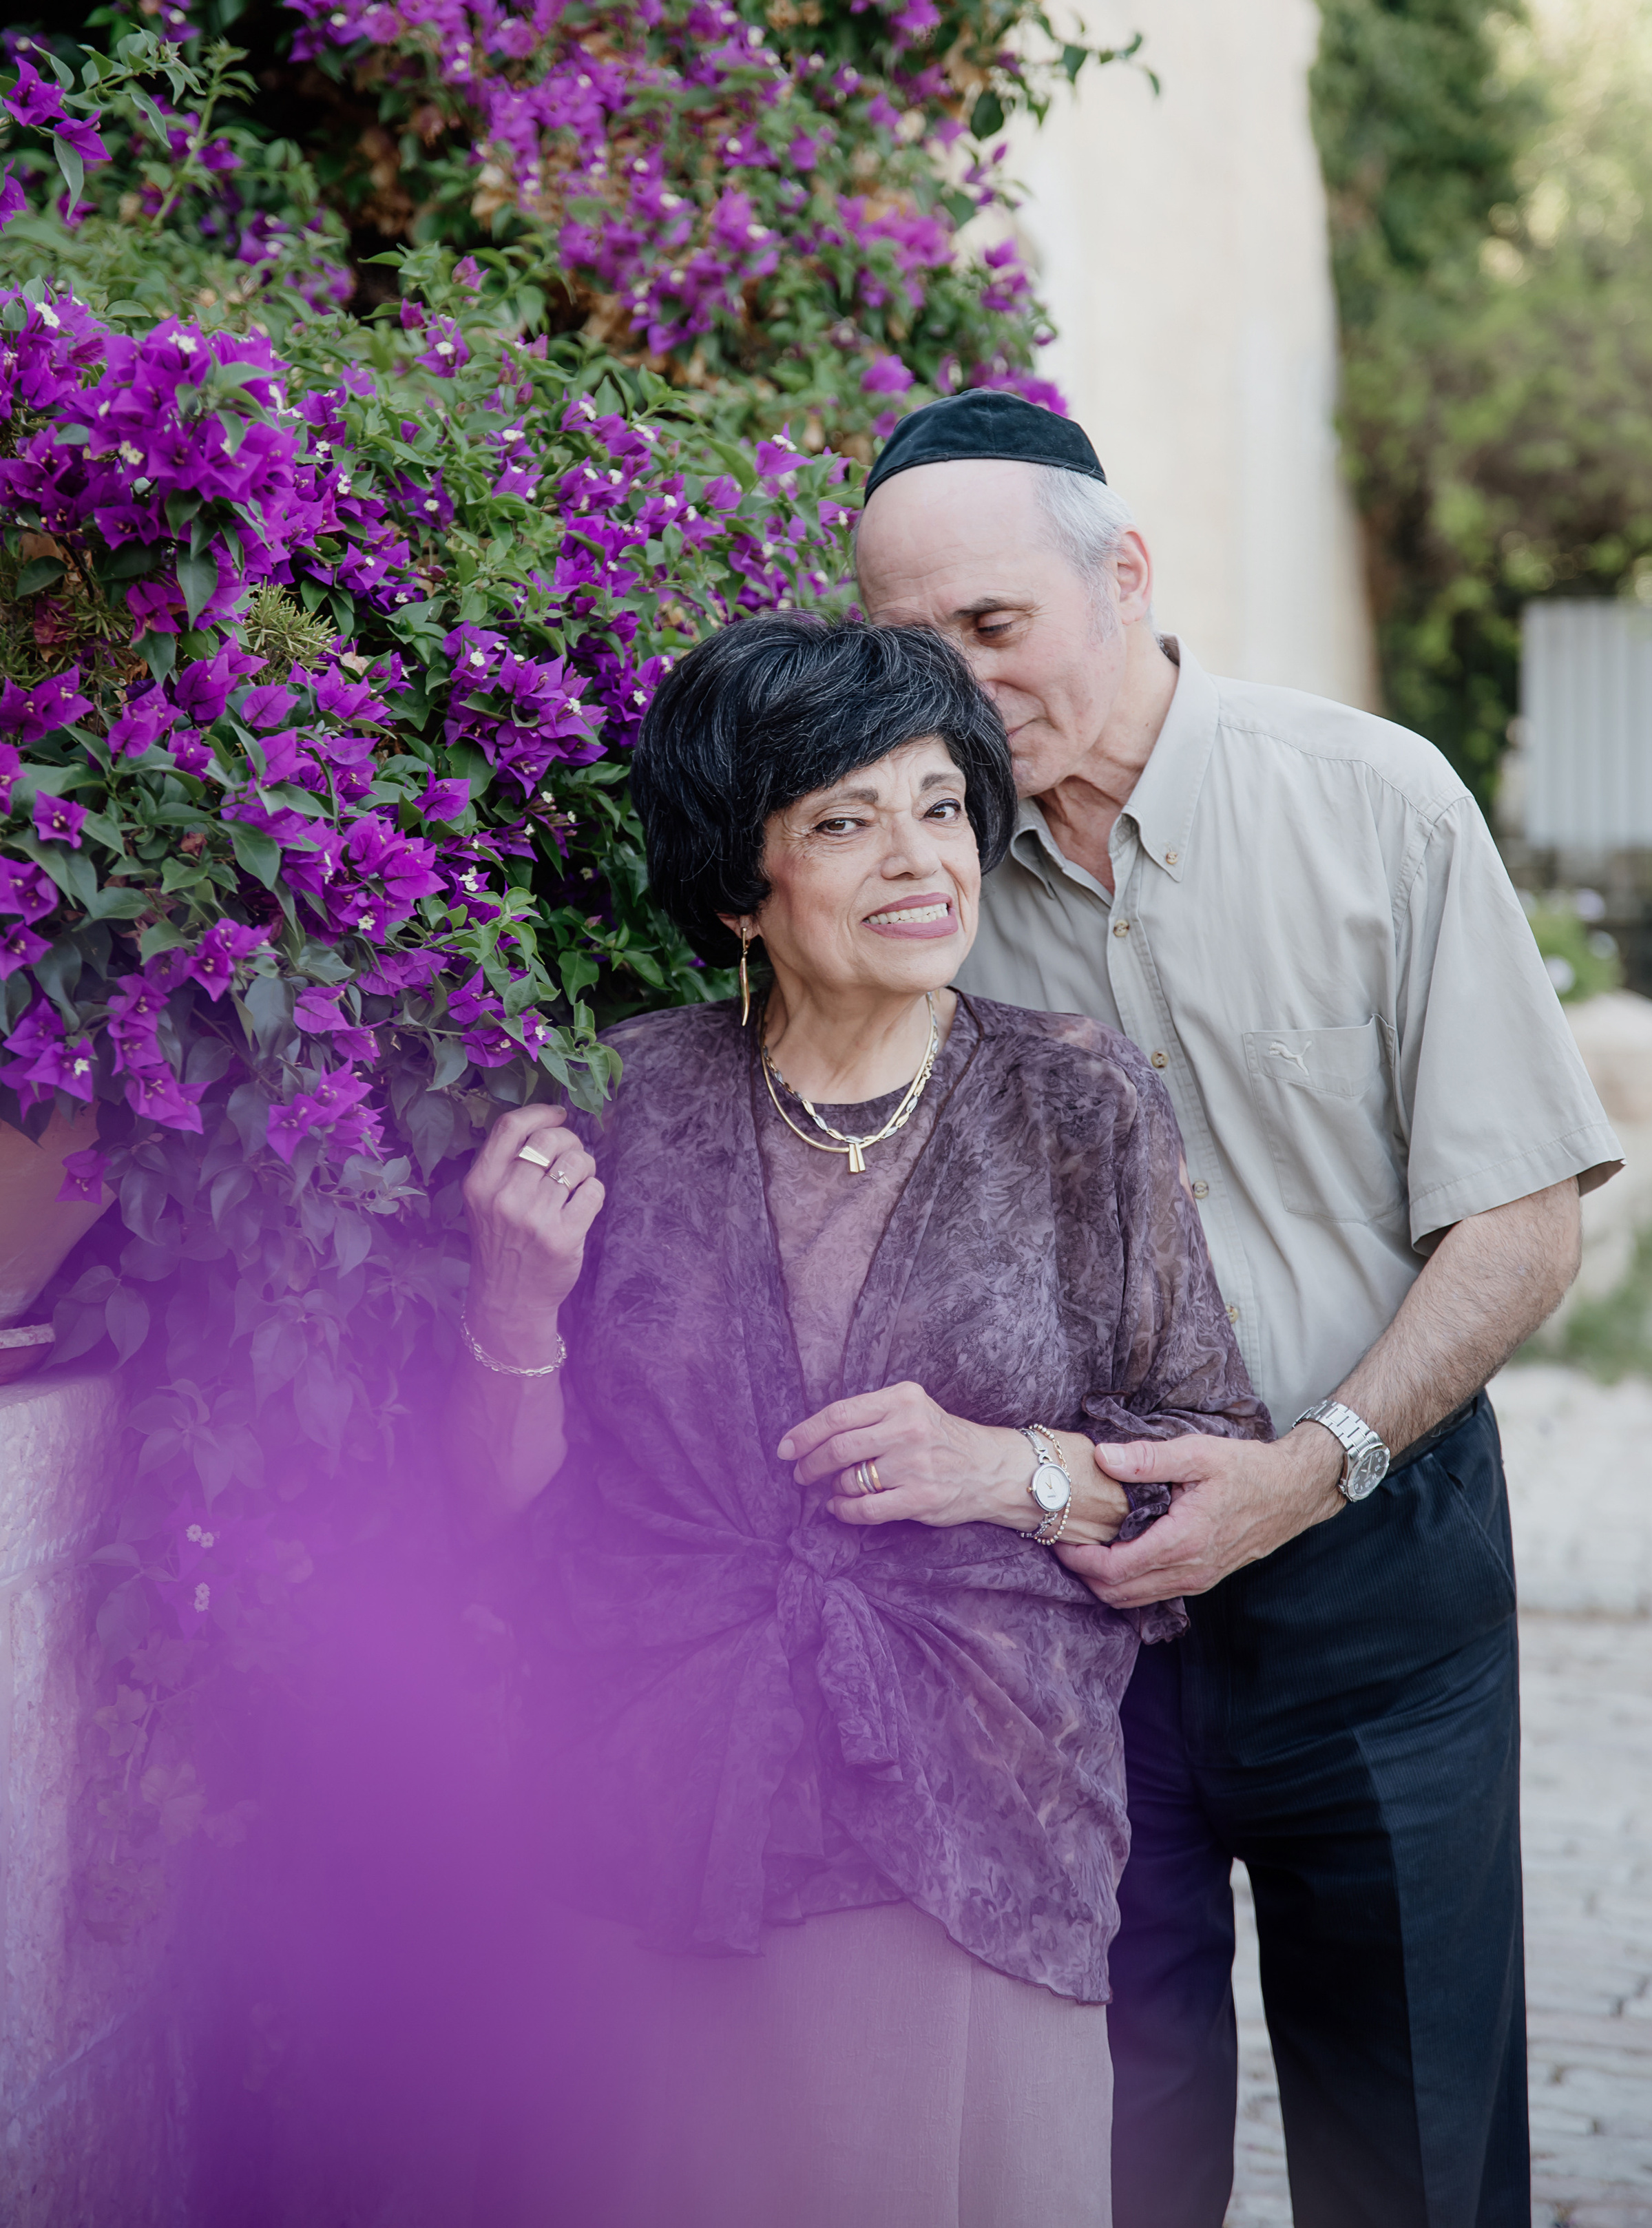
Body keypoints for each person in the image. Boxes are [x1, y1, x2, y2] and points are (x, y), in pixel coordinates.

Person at [854, 386, 1625, 2228]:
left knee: (1416, 2144)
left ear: (1122, 575)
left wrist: (1313, 1460)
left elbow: (1522, 1224)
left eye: (993, 627)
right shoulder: (918, 879)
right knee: (1110, 2145)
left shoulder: (1375, 804)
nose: (955, 685)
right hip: (1075, 1613)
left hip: (1379, 1555)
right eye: (908, 646)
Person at [443, 614, 1270, 2228]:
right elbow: (497, 1522)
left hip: (978, 1828)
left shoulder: (1077, 1101)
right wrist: (510, 1312)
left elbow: (1202, 1490)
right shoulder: (631, 1100)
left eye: (942, 805)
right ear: (740, 887)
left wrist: (1005, 1470)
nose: (919, 858)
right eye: (844, 818)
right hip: (658, 1827)